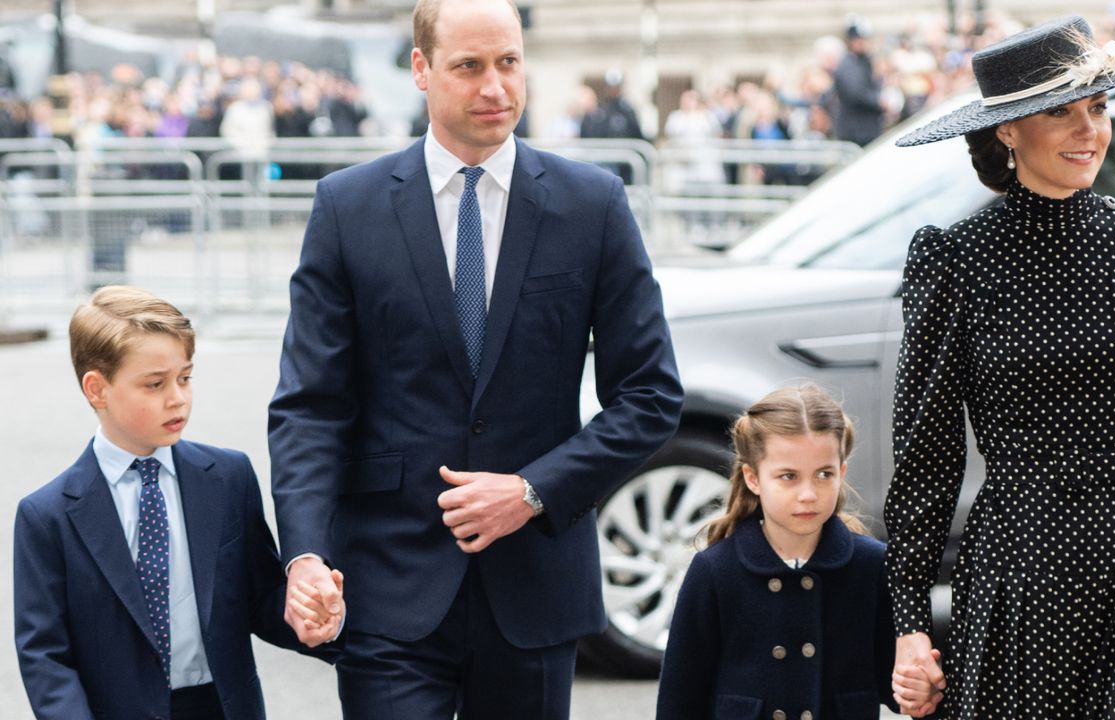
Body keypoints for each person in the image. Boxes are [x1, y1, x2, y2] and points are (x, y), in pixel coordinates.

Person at [266, 0, 683, 717]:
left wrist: (531, 491)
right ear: (421, 69)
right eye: (470, 66)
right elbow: (311, 406)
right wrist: (305, 556)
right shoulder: (348, 207)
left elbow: (649, 395)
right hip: (388, 590)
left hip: (535, 591)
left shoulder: (593, 205)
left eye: (509, 62)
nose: (495, 87)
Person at [886, 17, 1115, 718]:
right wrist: (909, 626)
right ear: (1007, 131)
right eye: (1060, 111)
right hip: (1020, 574)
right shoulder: (955, 260)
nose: (1089, 130)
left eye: (1098, 106)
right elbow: (926, 458)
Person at [13, 286, 342, 720]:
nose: (177, 398)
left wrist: (308, 617)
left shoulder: (228, 478)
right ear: (97, 389)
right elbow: (46, 657)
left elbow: (260, 599)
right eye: (154, 384)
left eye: (185, 377)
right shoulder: (47, 515)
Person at [656, 384, 924, 719]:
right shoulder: (715, 569)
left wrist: (918, 690)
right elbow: (680, 696)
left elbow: (896, 683)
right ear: (753, 478)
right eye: (788, 477)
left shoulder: (870, 565)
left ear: (841, 473)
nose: (809, 494)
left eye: (823, 474)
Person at [830, 17, 884, 147]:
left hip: (866, 129)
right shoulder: (848, 64)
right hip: (856, 131)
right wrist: (879, 101)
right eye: (861, 39)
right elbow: (856, 93)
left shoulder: (863, 61)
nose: (865, 42)